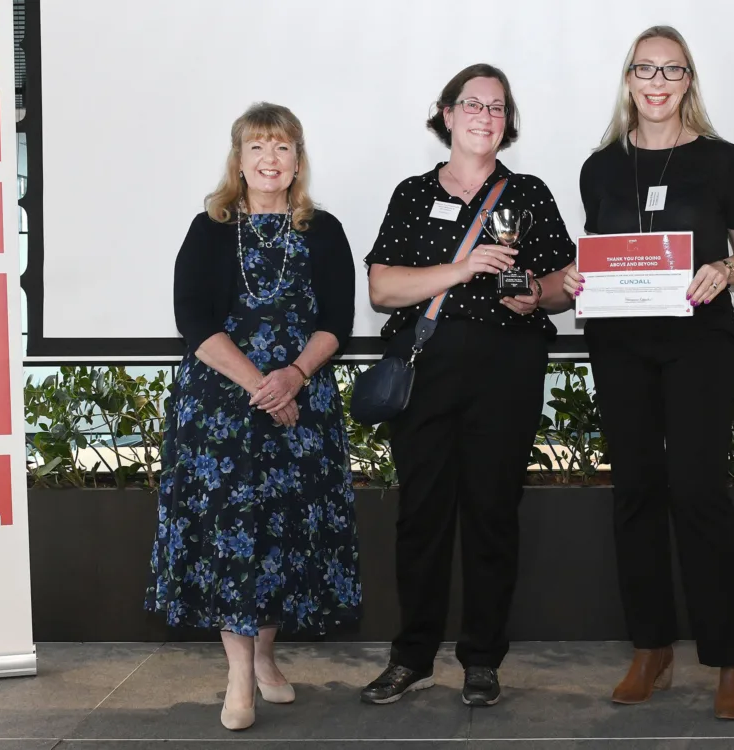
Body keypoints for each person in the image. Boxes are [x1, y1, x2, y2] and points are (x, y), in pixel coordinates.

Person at [563, 26, 734, 720]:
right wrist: (574, 280)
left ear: (688, 82)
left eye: (671, 70)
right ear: (628, 81)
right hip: (619, 347)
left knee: (699, 490)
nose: (657, 82)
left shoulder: (723, 162)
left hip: (698, 344)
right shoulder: (599, 168)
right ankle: (651, 647)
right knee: (636, 493)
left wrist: (724, 269)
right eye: (644, 70)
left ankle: (733, 656)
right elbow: (602, 255)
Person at [359, 63, 577, 708]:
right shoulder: (411, 192)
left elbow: (567, 281)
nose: (485, 116)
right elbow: (381, 288)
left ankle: (482, 659)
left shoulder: (529, 193)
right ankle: (412, 657)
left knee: (491, 515)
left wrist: (536, 294)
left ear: (507, 123)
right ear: (446, 114)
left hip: (507, 372)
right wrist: (460, 269)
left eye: (497, 108)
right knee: (421, 516)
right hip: (427, 371)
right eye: (472, 104)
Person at [146, 102, 362, 732]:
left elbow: (337, 323)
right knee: (229, 536)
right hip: (220, 412)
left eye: (284, 148)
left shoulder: (324, 230)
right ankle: (239, 676)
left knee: (284, 537)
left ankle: (265, 657)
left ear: (299, 159)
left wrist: (293, 376)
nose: (271, 161)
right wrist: (261, 386)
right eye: (258, 148)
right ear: (238, 160)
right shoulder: (208, 228)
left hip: (304, 405)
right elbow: (195, 323)